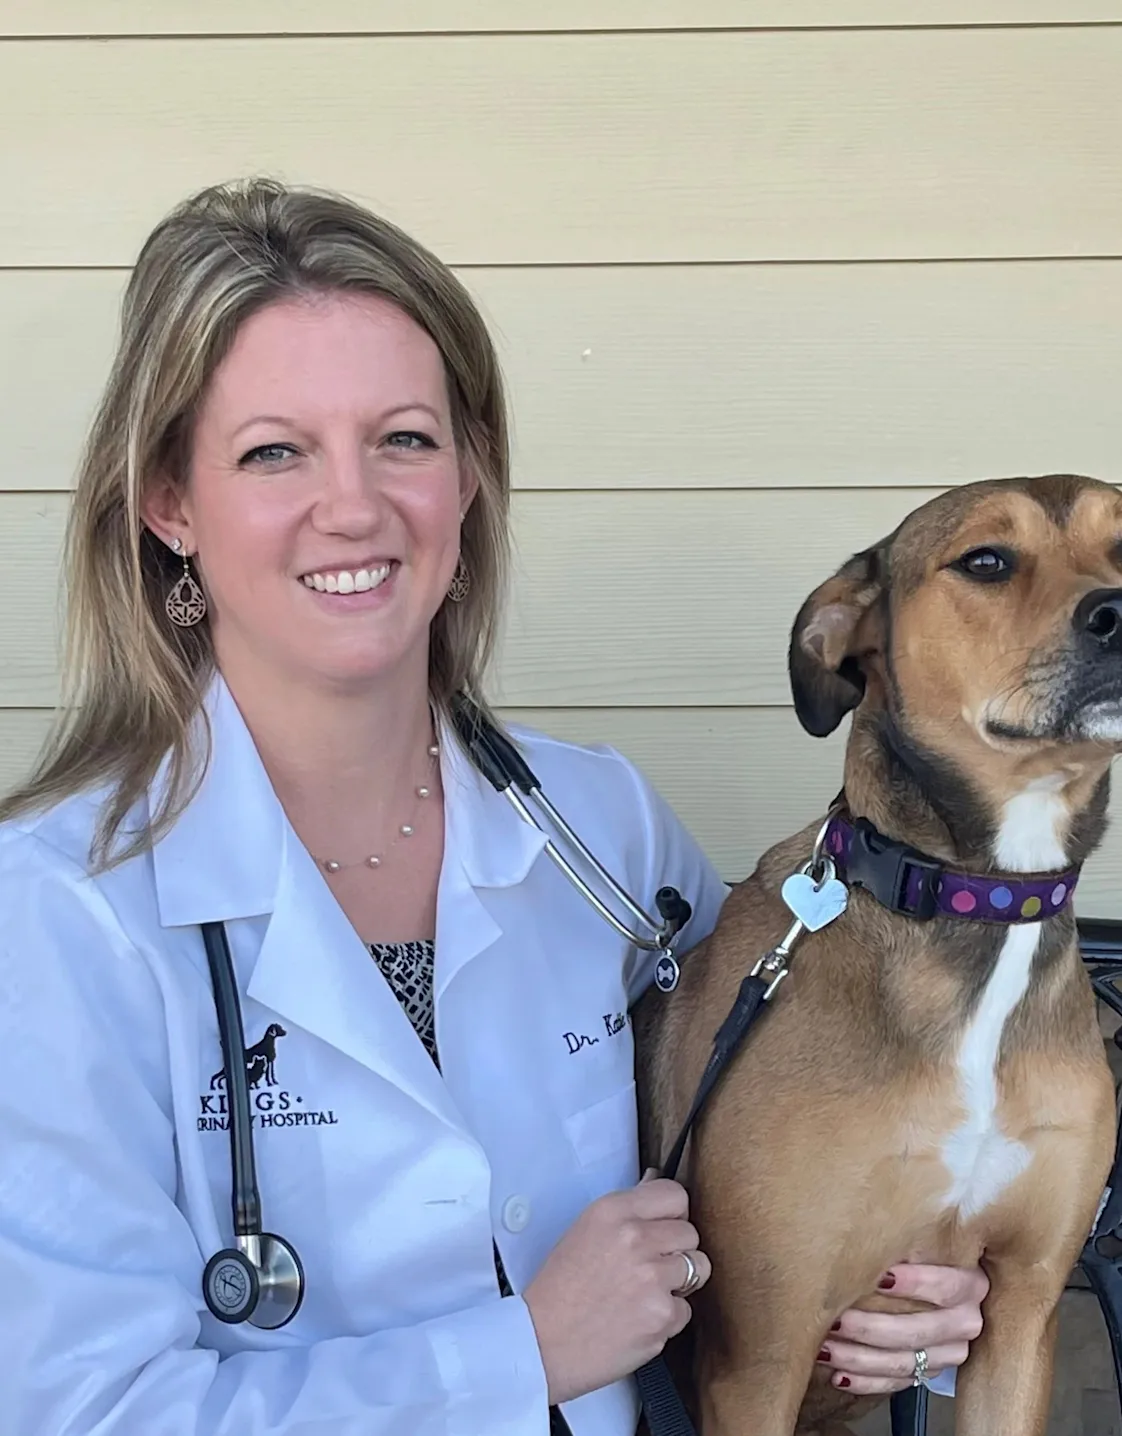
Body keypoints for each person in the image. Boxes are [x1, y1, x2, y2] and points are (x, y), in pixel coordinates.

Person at [0, 178, 986, 1436]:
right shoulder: (55, 911)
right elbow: (87, 1412)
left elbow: (767, 1169)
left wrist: (893, 1302)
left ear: (468, 476)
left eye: (404, 438)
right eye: (273, 450)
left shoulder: (603, 830)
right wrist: (521, 1353)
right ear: (169, 504)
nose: (353, 504)